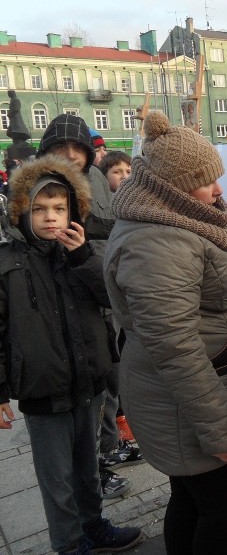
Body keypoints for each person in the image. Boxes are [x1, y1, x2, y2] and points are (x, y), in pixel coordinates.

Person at [104, 110, 227, 555]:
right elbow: (176, 347)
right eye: (206, 181)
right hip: (189, 404)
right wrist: (220, 430)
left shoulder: (174, 222)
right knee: (222, 509)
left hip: (185, 397)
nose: (217, 190)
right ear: (172, 187)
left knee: (192, 498)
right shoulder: (158, 243)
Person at [0, 155, 142, 555]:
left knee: (87, 467)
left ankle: (93, 525)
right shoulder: (8, 262)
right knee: (57, 478)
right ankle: (70, 548)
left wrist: (83, 258)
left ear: (73, 211)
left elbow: (112, 298)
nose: (50, 218)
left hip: (88, 379)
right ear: (21, 211)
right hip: (42, 388)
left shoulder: (80, 253)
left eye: (59, 209)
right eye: (40, 209)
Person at [36, 113, 130, 498]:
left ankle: (99, 468)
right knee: (59, 448)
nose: (71, 155)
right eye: (61, 147)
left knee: (102, 391)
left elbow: (110, 229)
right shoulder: (38, 190)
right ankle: (73, 535)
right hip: (50, 317)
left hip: (95, 296)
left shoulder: (93, 181)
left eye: (78, 148)